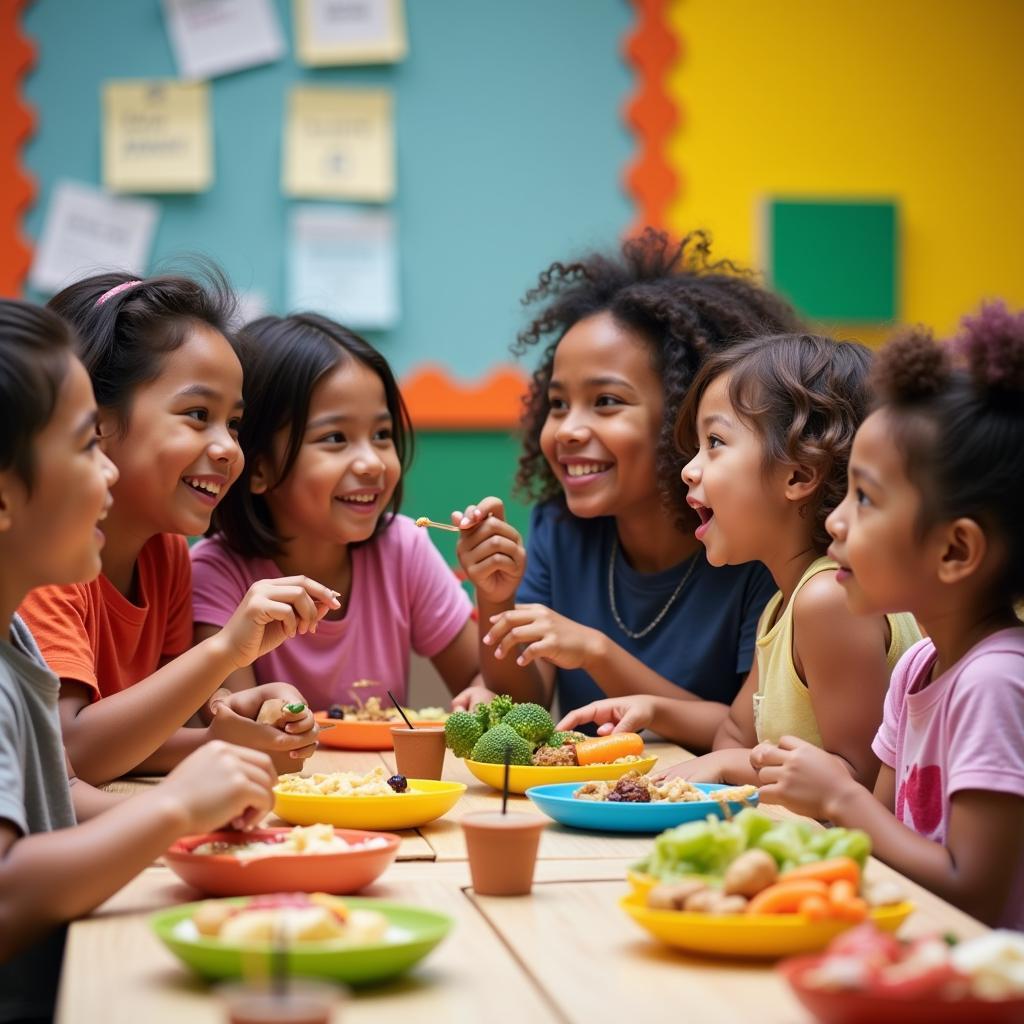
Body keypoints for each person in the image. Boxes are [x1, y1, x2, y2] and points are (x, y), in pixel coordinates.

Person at [0, 299, 279, 1023]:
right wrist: (177, 807)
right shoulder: (35, 609)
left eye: (236, 424)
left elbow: (57, 792)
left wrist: (212, 759)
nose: (108, 477)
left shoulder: (17, 642)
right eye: (88, 444)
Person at [453, 230, 799, 748]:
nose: (568, 429)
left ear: (684, 416)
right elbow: (525, 704)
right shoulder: (559, 527)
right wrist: (496, 597)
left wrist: (597, 652)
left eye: (607, 401)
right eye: (557, 404)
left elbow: (743, 730)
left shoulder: (754, 547)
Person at [752, 304, 1024, 929]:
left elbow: (973, 894)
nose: (834, 521)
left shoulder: (994, 683)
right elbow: (884, 845)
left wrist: (840, 798)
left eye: (866, 498)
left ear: (954, 550)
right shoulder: (917, 669)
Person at [18, 272, 338, 785]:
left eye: (233, 423)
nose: (229, 448)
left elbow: (140, 738)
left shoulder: (166, 553)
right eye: (197, 414)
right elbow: (69, 754)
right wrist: (224, 651)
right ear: (93, 421)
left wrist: (226, 735)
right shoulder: (46, 563)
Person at [563, 334, 920, 788]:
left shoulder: (827, 600)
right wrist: (655, 709)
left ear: (798, 475)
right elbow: (733, 732)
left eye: (714, 442)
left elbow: (862, 786)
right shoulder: (782, 604)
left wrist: (732, 766)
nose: (689, 469)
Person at [191, 313, 480, 711]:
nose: (372, 463)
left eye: (381, 435)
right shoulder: (214, 575)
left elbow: (481, 682)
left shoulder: (404, 547)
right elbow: (238, 730)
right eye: (335, 438)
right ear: (259, 469)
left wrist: (494, 606)